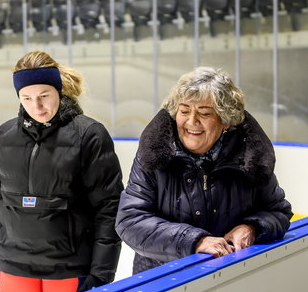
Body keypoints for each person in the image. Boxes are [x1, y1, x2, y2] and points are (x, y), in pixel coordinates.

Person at [0, 50, 124, 292]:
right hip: (14, 268)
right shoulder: (4, 136)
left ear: (59, 90)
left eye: (44, 95)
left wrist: (102, 271)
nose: (37, 106)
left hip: (68, 269)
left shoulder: (89, 136)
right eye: (27, 98)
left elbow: (109, 206)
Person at [115, 66, 292, 274]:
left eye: (204, 113)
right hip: (162, 281)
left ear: (225, 120)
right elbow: (130, 221)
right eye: (184, 111)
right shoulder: (155, 155)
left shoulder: (250, 156)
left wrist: (252, 228)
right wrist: (195, 241)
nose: (191, 122)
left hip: (231, 278)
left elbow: (278, 211)